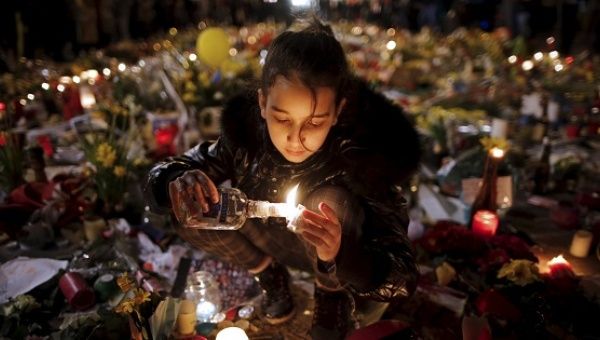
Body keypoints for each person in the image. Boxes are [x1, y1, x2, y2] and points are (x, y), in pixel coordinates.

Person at [146, 18, 420, 339]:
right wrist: (176, 181)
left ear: (337, 111)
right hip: (267, 238)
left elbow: (403, 278)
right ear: (263, 103)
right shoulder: (245, 137)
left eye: (314, 122)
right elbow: (172, 172)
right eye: (281, 118)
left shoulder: (362, 156)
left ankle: (329, 294)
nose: (295, 138)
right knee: (190, 206)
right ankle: (269, 274)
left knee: (326, 203)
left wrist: (341, 256)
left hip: (331, 255)